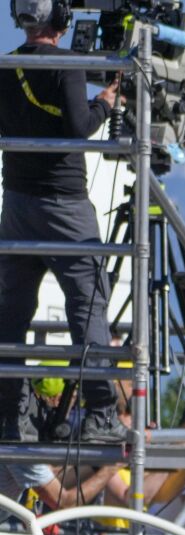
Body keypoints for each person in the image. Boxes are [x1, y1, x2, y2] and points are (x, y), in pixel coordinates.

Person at [0, 0, 122, 445]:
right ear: (60, 19)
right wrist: (105, 104)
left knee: (12, 309)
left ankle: (8, 414)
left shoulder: (6, 64)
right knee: (87, 301)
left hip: (15, 203)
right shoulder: (67, 64)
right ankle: (101, 414)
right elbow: (78, 126)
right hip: (65, 205)